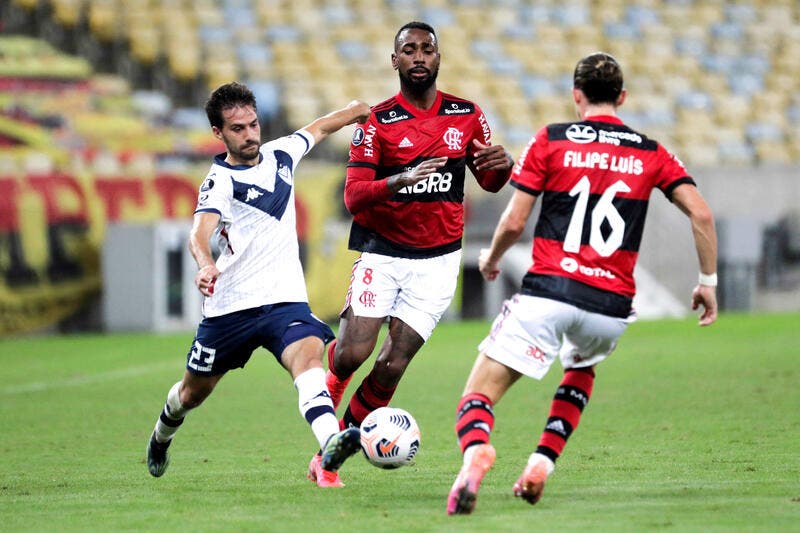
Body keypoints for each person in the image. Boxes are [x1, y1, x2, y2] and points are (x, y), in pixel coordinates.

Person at [446, 52, 718, 514]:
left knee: (476, 397)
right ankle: (541, 464)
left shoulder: (551, 140)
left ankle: (476, 455)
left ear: (576, 96)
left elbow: (514, 221)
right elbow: (702, 213)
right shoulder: (650, 151)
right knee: (581, 367)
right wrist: (707, 281)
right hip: (610, 306)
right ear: (623, 97)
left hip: (549, 291)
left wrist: (490, 259)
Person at [145, 82, 371, 488]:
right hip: (232, 306)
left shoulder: (282, 153)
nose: (250, 135)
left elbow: (318, 128)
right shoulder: (219, 182)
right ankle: (162, 434)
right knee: (192, 394)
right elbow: (199, 232)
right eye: (238, 129)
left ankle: (331, 444)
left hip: (285, 301)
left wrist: (355, 110)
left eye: (253, 124)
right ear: (219, 133)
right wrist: (206, 264)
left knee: (308, 360)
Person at [322, 21, 515, 433]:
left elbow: (490, 184)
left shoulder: (467, 115)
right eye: (409, 50)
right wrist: (399, 180)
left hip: (439, 260)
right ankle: (333, 384)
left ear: (439, 57)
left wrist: (504, 167)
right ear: (395, 60)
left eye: (427, 49)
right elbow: (353, 197)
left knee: (392, 364)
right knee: (352, 355)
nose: (419, 57)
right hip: (384, 250)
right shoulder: (377, 121)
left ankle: (336, 445)